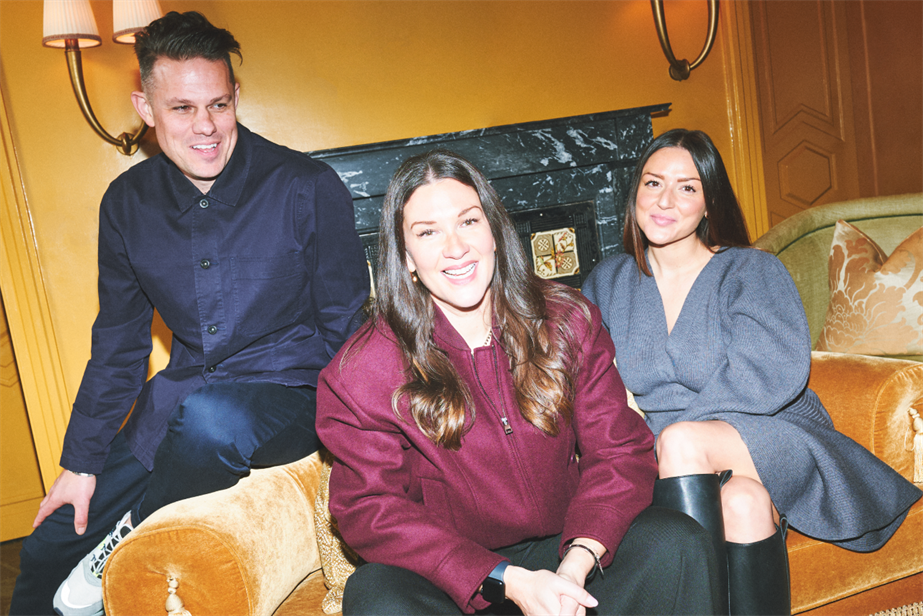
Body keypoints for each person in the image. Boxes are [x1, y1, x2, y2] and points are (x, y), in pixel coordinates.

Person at [10, 11, 369, 616]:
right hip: (179, 401)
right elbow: (120, 345)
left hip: (289, 395)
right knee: (48, 547)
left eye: (220, 105)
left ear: (235, 99)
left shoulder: (305, 185)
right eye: (182, 109)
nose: (206, 127)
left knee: (212, 419)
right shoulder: (126, 204)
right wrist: (79, 464)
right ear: (145, 108)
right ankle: (90, 553)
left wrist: (366, 446)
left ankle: (126, 546)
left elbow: (347, 326)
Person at [316, 149, 722, 616]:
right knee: (373, 593)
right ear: (406, 257)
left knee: (675, 540)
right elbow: (370, 509)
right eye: (428, 233)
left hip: (568, 553)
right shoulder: (363, 370)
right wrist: (506, 581)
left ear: (493, 231)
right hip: (463, 579)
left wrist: (575, 565)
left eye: (468, 222)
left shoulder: (567, 318)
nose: (455, 248)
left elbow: (620, 451)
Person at [581, 128, 923, 616]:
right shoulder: (607, 282)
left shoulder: (751, 271)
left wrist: (659, 439)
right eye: (654, 183)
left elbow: (767, 374)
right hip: (668, 452)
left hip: (764, 430)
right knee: (742, 503)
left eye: (688, 187)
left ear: (708, 202)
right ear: (635, 191)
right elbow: (589, 377)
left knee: (681, 440)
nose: (666, 201)